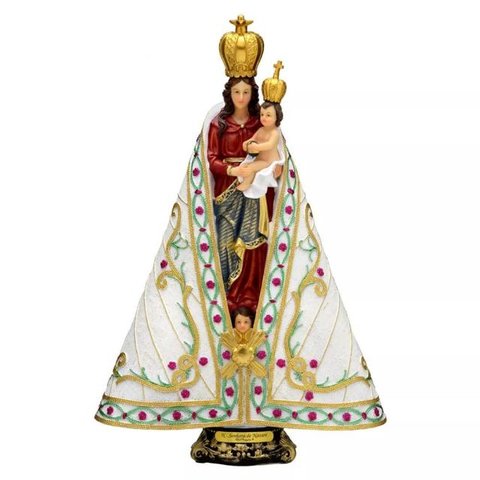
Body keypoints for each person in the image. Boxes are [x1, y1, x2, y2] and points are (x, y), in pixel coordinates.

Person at [207, 78, 282, 313]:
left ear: (253, 94)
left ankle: (250, 294)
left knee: (251, 242)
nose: (241, 97)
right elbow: (211, 158)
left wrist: (278, 168)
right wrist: (232, 171)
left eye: (246, 92)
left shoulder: (261, 122)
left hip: (255, 189)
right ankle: (228, 294)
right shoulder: (218, 124)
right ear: (229, 93)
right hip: (227, 189)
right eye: (237, 92)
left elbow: (277, 151)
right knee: (225, 240)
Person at [236, 101, 284, 197]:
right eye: (262, 114)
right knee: (244, 165)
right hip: (259, 158)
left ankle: (247, 183)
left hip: (268, 161)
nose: (264, 118)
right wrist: (246, 143)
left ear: (277, 117)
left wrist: (257, 147)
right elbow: (253, 139)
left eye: (268, 115)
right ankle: (246, 180)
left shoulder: (275, 133)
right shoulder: (261, 130)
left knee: (250, 167)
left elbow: (269, 145)